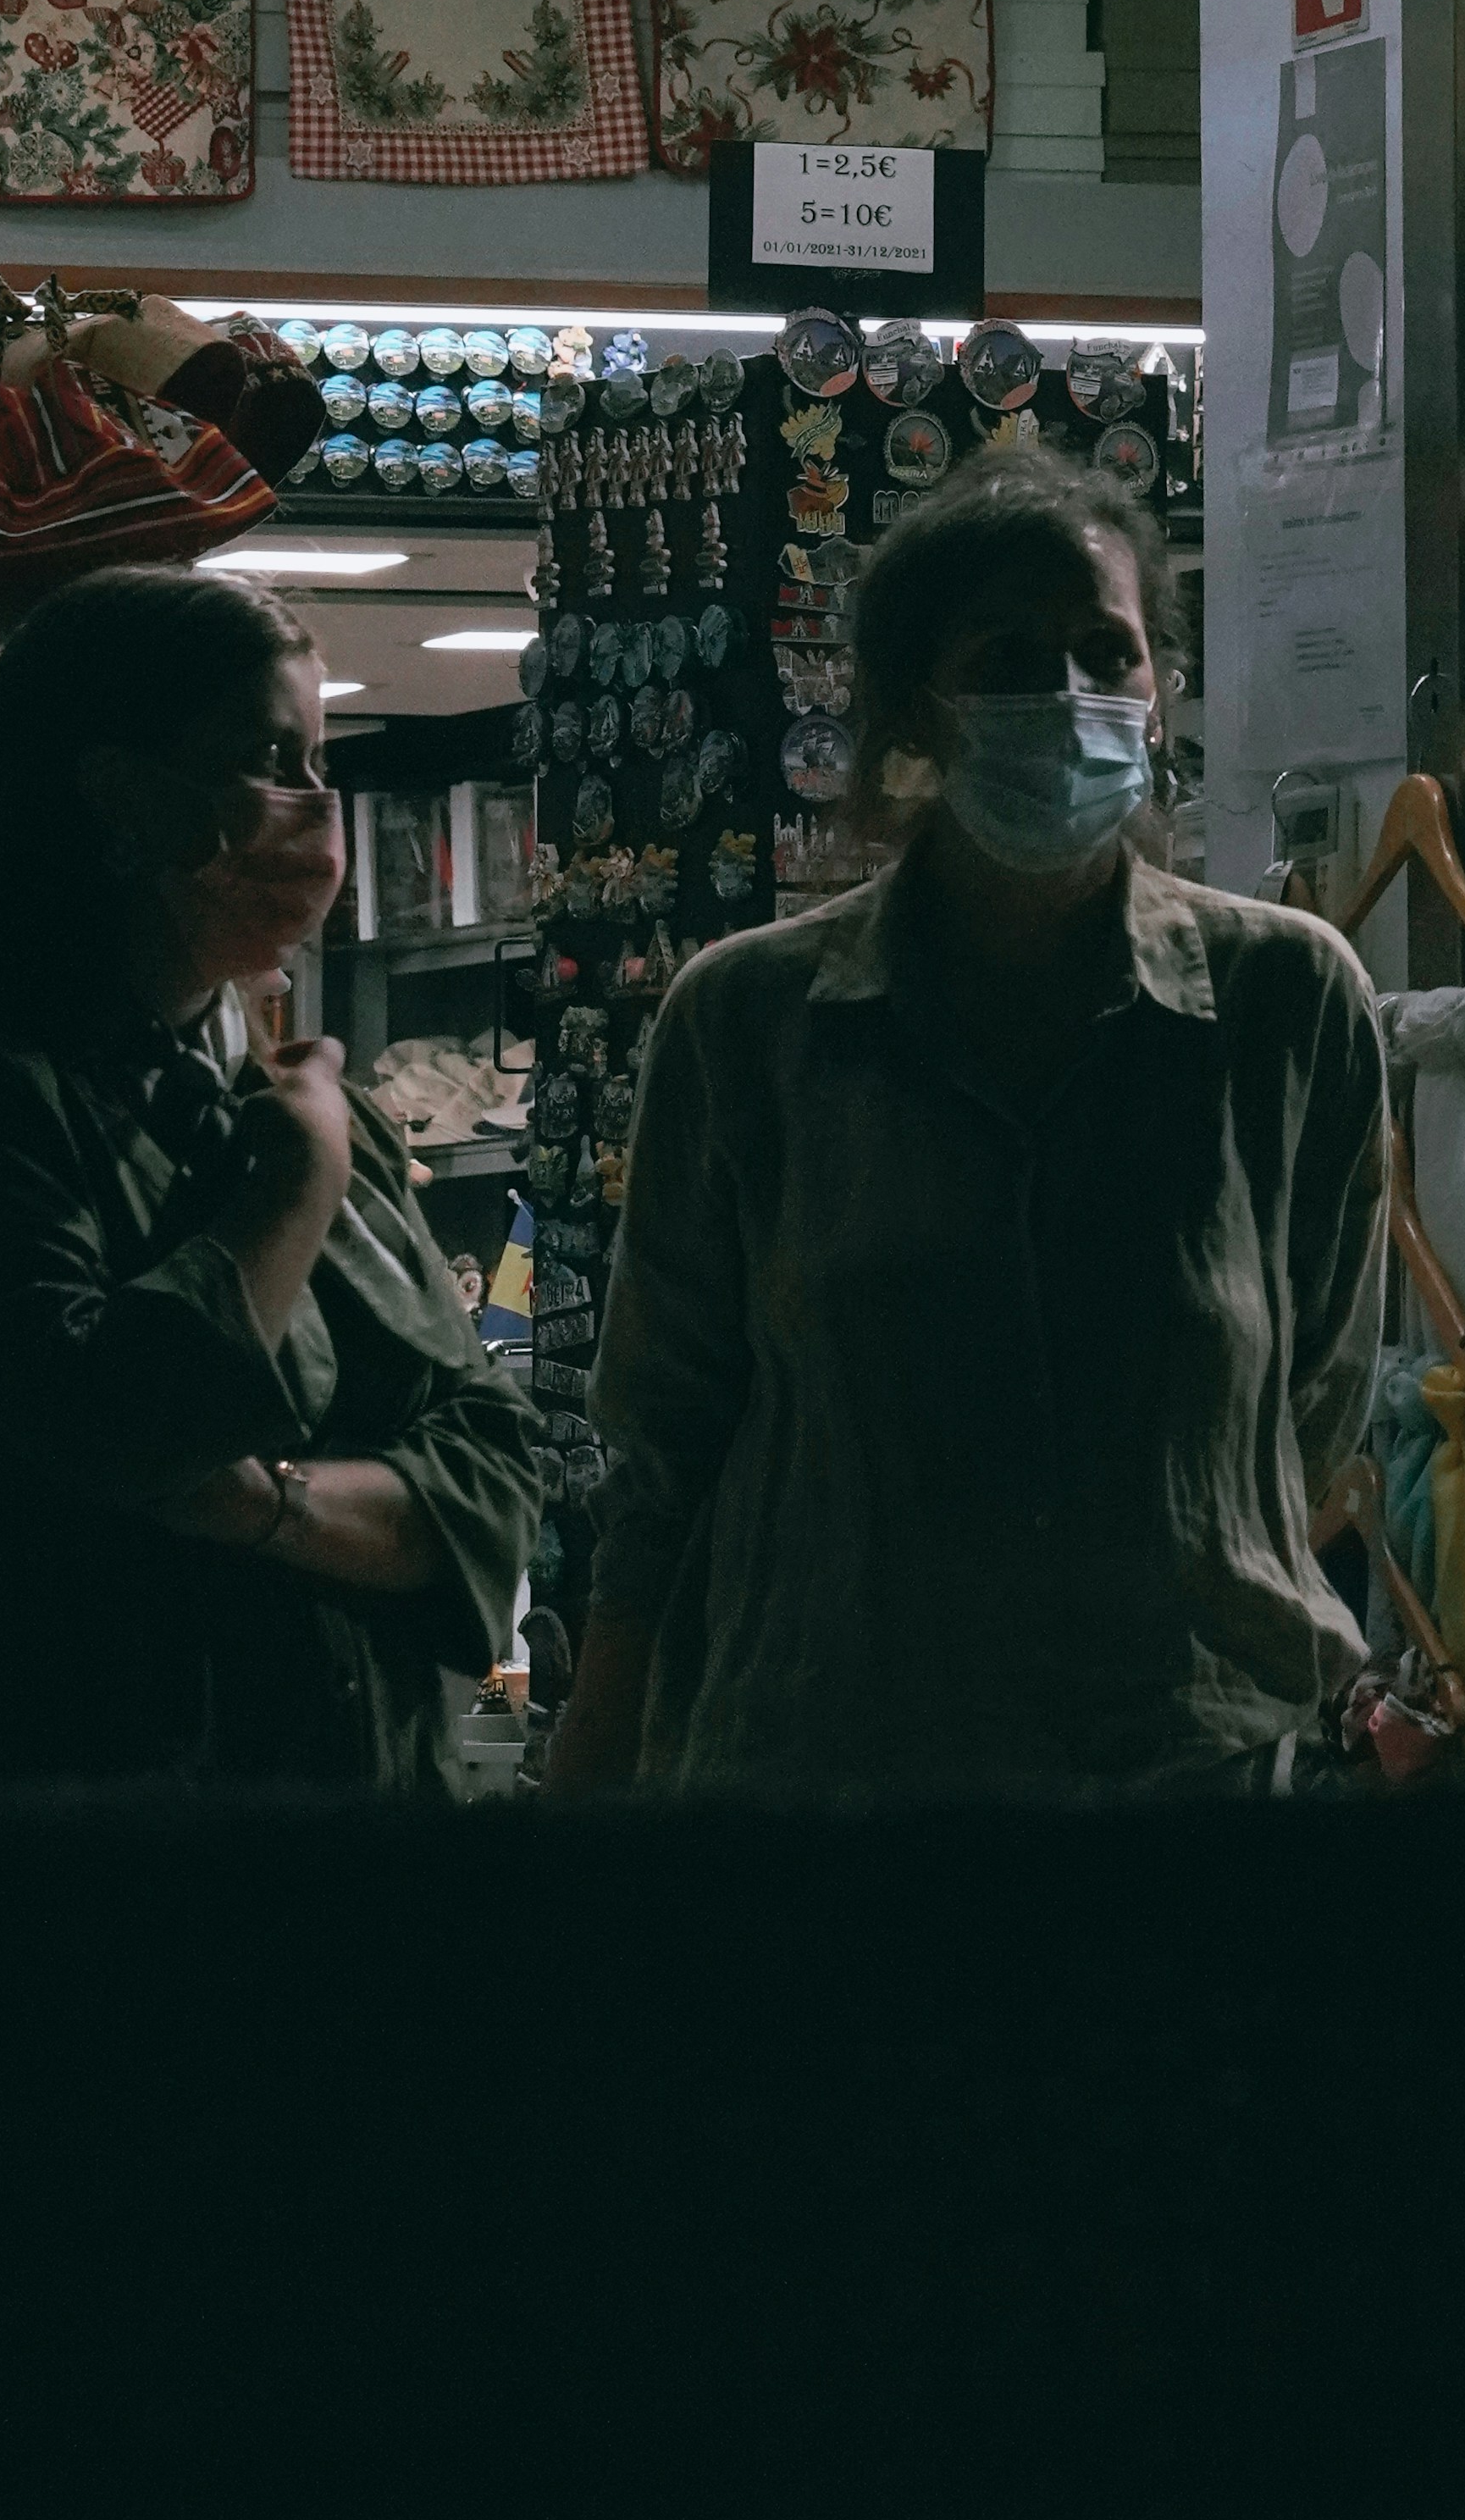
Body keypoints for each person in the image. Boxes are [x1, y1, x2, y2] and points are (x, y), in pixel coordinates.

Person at [550, 461, 1388, 1797]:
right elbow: (663, 1449)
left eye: (1104, 650)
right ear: (916, 711)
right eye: (1007, 656)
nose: (1066, 695)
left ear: (1158, 690)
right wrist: (595, 1765)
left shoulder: (1285, 1006)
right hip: (838, 1773)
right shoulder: (752, 1023)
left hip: (1188, 1767)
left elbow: (1316, 1401)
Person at [0, 562, 539, 1787]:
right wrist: (296, 1185)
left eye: (321, 761)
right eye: (273, 759)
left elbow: (493, 1459)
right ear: (121, 794)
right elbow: (118, 1420)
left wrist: (264, 1506)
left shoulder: (289, 1091)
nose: (316, 807)